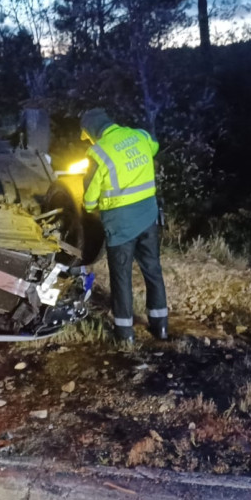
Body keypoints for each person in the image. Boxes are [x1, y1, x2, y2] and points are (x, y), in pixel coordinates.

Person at [80, 108, 169, 343]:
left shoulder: (98, 153)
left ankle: (125, 334)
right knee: (153, 270)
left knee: (122, 278)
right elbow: (155, 146)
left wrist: (91, 208)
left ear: (91, 132)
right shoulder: (140, 136)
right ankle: (160, 327)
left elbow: (89, 198)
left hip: (120, 226)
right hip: (148, 216)